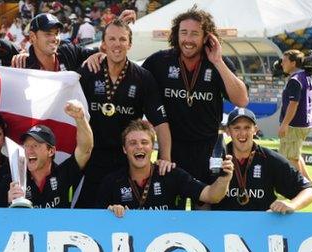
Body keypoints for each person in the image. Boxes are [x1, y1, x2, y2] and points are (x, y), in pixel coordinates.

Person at [141, 6, 248, 190]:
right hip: (171, 150)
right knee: (170, 210)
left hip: (207, 150)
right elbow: (132, 78)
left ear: (206, 37)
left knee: (204, 208)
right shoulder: (159, 61)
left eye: (194, 34)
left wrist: (218, 62)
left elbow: (242, 100)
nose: (188, 40)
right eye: (184, 33)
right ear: (176, 34)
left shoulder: (217, 62)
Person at [76, 19, 171, 208]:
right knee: (87, 213)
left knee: (123, 214)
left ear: (130, 44)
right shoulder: (89, 70)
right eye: (111, 39)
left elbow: (160, 122)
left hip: (125, 161)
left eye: (122, 39)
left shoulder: (143, 77)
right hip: (91, 158)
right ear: (103, 44)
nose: (117, 44)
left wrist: (165, 158)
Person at [97, 120, 234, 217]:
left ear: (152, 147)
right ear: (124, 149)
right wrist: (109, 213)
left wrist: (224, 178)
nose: (139, 146)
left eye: (144, 142)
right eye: (133, 143)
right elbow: (95, 220)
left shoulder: (170, 174)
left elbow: (211, 195)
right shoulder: (112, 181)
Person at [212, 108, 312, 213]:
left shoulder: (270, 159)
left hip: (261, 227)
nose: (242, 133)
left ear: (255, 130)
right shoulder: (217, 158)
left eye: (247, 127)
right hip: (224, 226)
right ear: (228, 131)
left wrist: (292, 204)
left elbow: (309, 190)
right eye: (236, 128)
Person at [0, 100, 93, 208]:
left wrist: (80, 118)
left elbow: (85, 150)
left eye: (35, 145)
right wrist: (8, 202)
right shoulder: (12, 181)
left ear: (51, 151)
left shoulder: (64, 174)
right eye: (26, 146)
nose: (29, 150)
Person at [11, 11, 136, 71]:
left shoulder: (68, 51)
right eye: (48, 34)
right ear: (32, 37)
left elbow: (104, 50)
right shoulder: (22, 65)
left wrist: (116, 27)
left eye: (56, 33)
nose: (54, 38)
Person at [278, 49, 312, 183]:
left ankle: (302, 186)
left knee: (290, 158)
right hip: (305, 122)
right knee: (295, 155)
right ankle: (309, 182)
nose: (282, 64)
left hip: (294, 124)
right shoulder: (307, 76)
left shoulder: (295, 80)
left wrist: (284, 124)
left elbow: (293, 104)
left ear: (293, 63)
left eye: (284, 61)